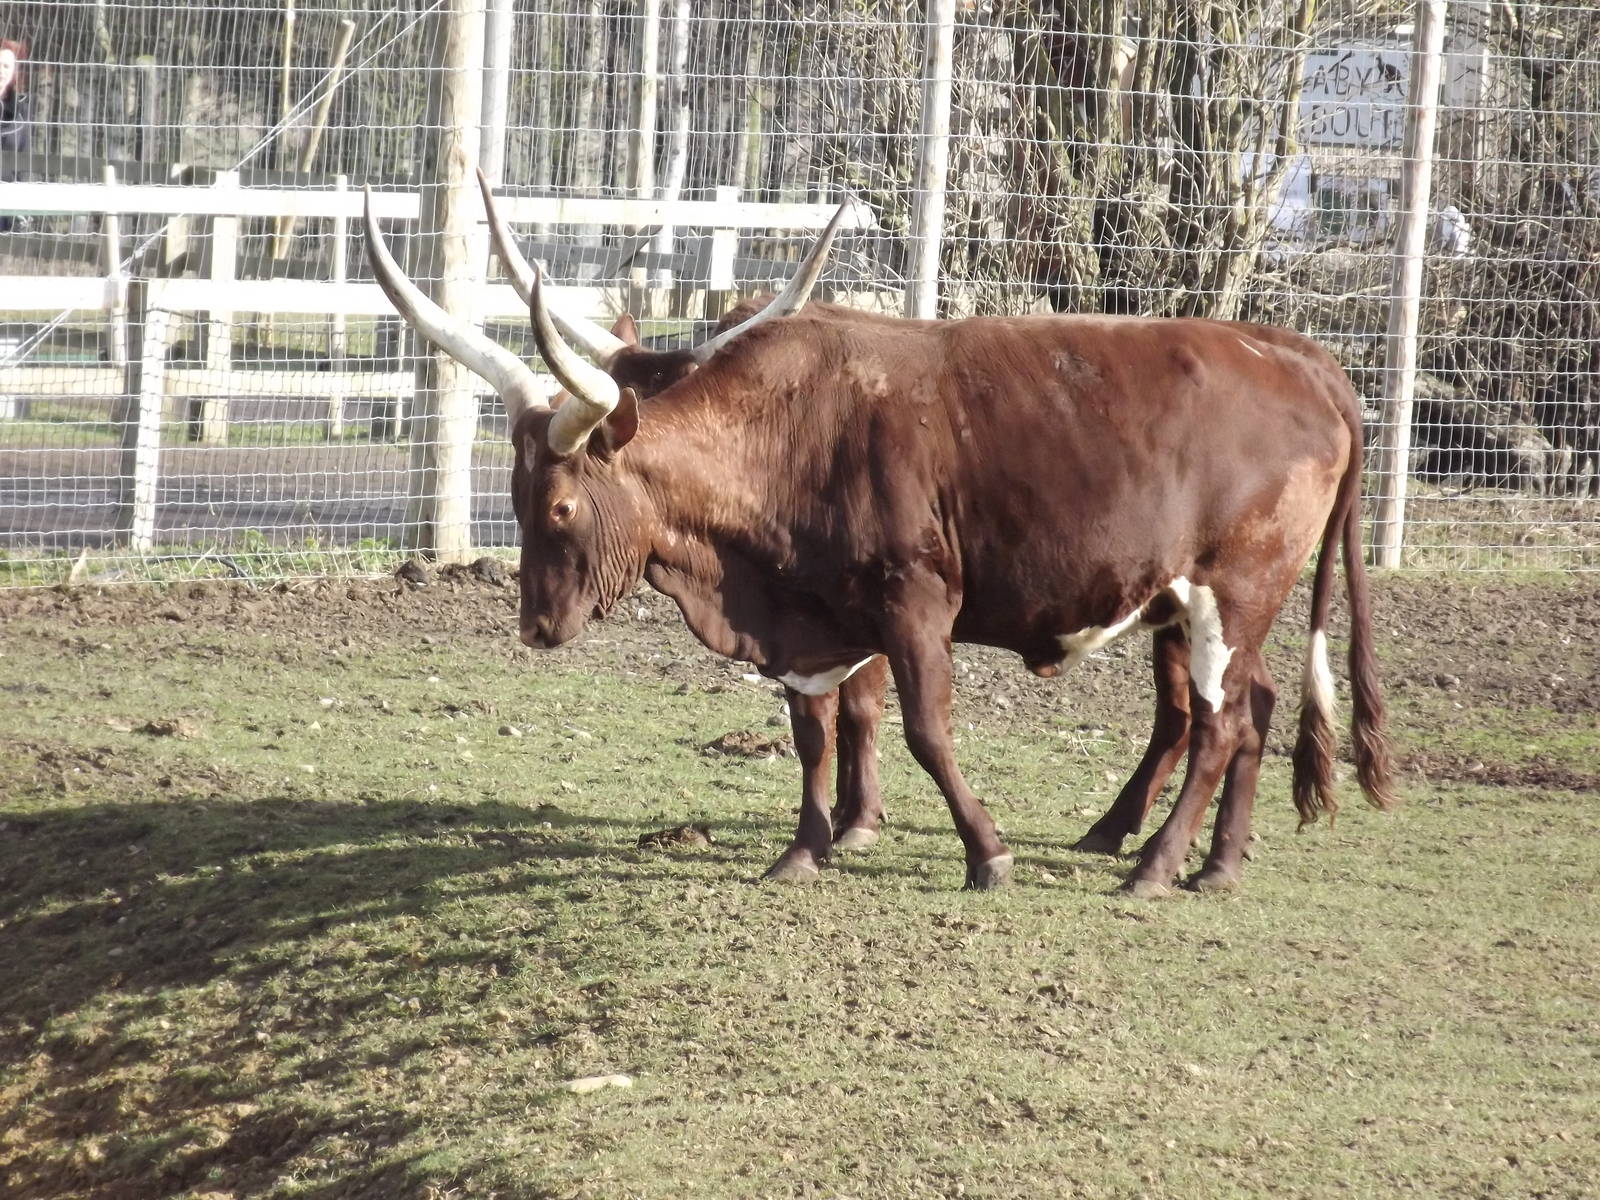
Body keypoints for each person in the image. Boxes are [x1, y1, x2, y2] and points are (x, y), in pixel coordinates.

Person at [1, 39, 32, 233]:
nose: (1, 70)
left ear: (14, 72)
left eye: (6, 66)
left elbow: (25, 158)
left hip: (6, 201)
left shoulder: (21, 112)